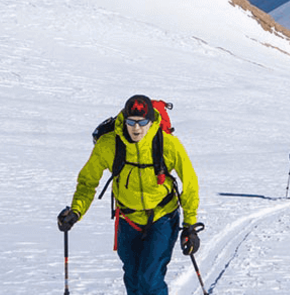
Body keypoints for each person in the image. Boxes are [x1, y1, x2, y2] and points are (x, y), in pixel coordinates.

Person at [58, 95, 203, 295]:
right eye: (131, 122)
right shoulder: (108, 145)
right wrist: (76, 211)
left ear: (151, 122)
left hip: (162, 217)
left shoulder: (168, 144)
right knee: (133, 278)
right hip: (128, 219)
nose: (136, 128)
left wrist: (190, 226)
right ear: (124, 120)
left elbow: (190, 183)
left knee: (150, 280)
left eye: (142, 122)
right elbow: (87, 182)